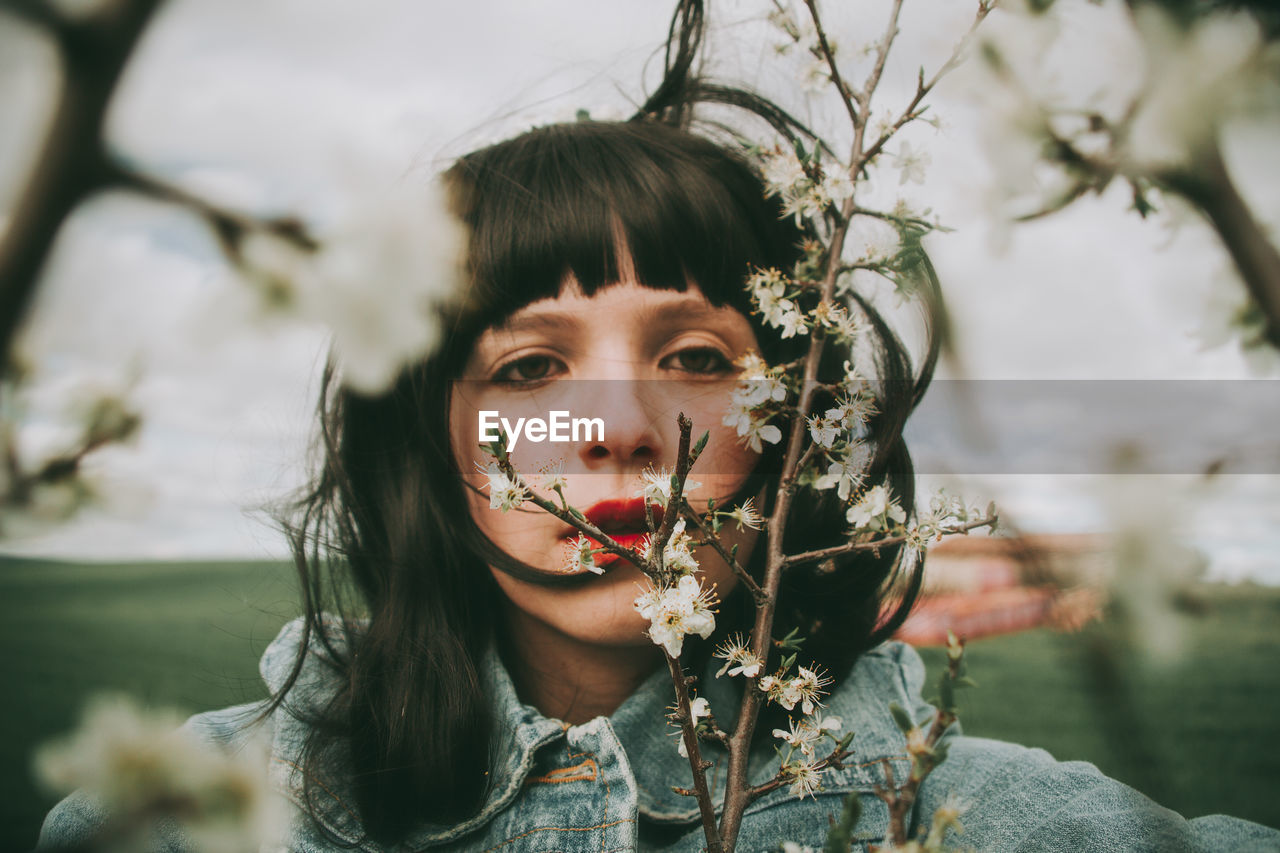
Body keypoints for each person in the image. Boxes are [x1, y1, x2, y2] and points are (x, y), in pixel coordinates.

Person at [38, 6, 1280, 853]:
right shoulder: (191, 813)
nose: (626, 429)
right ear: (428, 444)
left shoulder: (977, 818)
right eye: (530, 367)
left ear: (796, 429)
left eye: (694, 360)